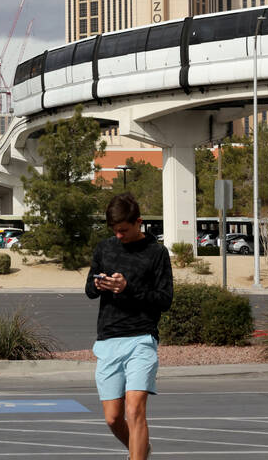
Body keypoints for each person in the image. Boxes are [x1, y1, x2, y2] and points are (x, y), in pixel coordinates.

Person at [84, 193, 173, 460]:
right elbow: (89, 289)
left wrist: (128, 288)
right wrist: (99, 284)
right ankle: (141, 450)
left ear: (139, 223)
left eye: (124, 230)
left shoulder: (157, 253)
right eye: (115, 231)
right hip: (108, 339)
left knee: (135, 410)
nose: (119, 236)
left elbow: (164, 300)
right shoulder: (105, 248)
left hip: (141, 338)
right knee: (113, 418)